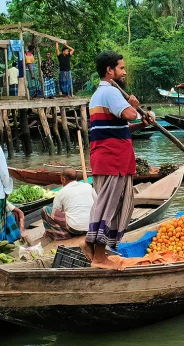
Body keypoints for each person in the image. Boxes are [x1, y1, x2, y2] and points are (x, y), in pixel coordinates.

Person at [80, 51, 152, 270]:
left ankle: (95, 250)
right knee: (110, 206)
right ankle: (99, 256)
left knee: (111, 203)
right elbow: (130, 114)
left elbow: (119, 125)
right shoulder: (110, 92)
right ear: (109, 71)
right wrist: (133, 104)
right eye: (121, 68)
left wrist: (142, 124)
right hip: (113, 159)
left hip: (108, 157)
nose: (124, 71)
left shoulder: (98, 95)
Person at [41, 168, 95, 240]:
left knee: (45, 210)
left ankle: (62, 234)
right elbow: (97, 202)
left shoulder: (61, 192)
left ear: (63, 179)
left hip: (74, 228)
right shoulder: (88, 186)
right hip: (91, 226)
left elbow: (55, 211)